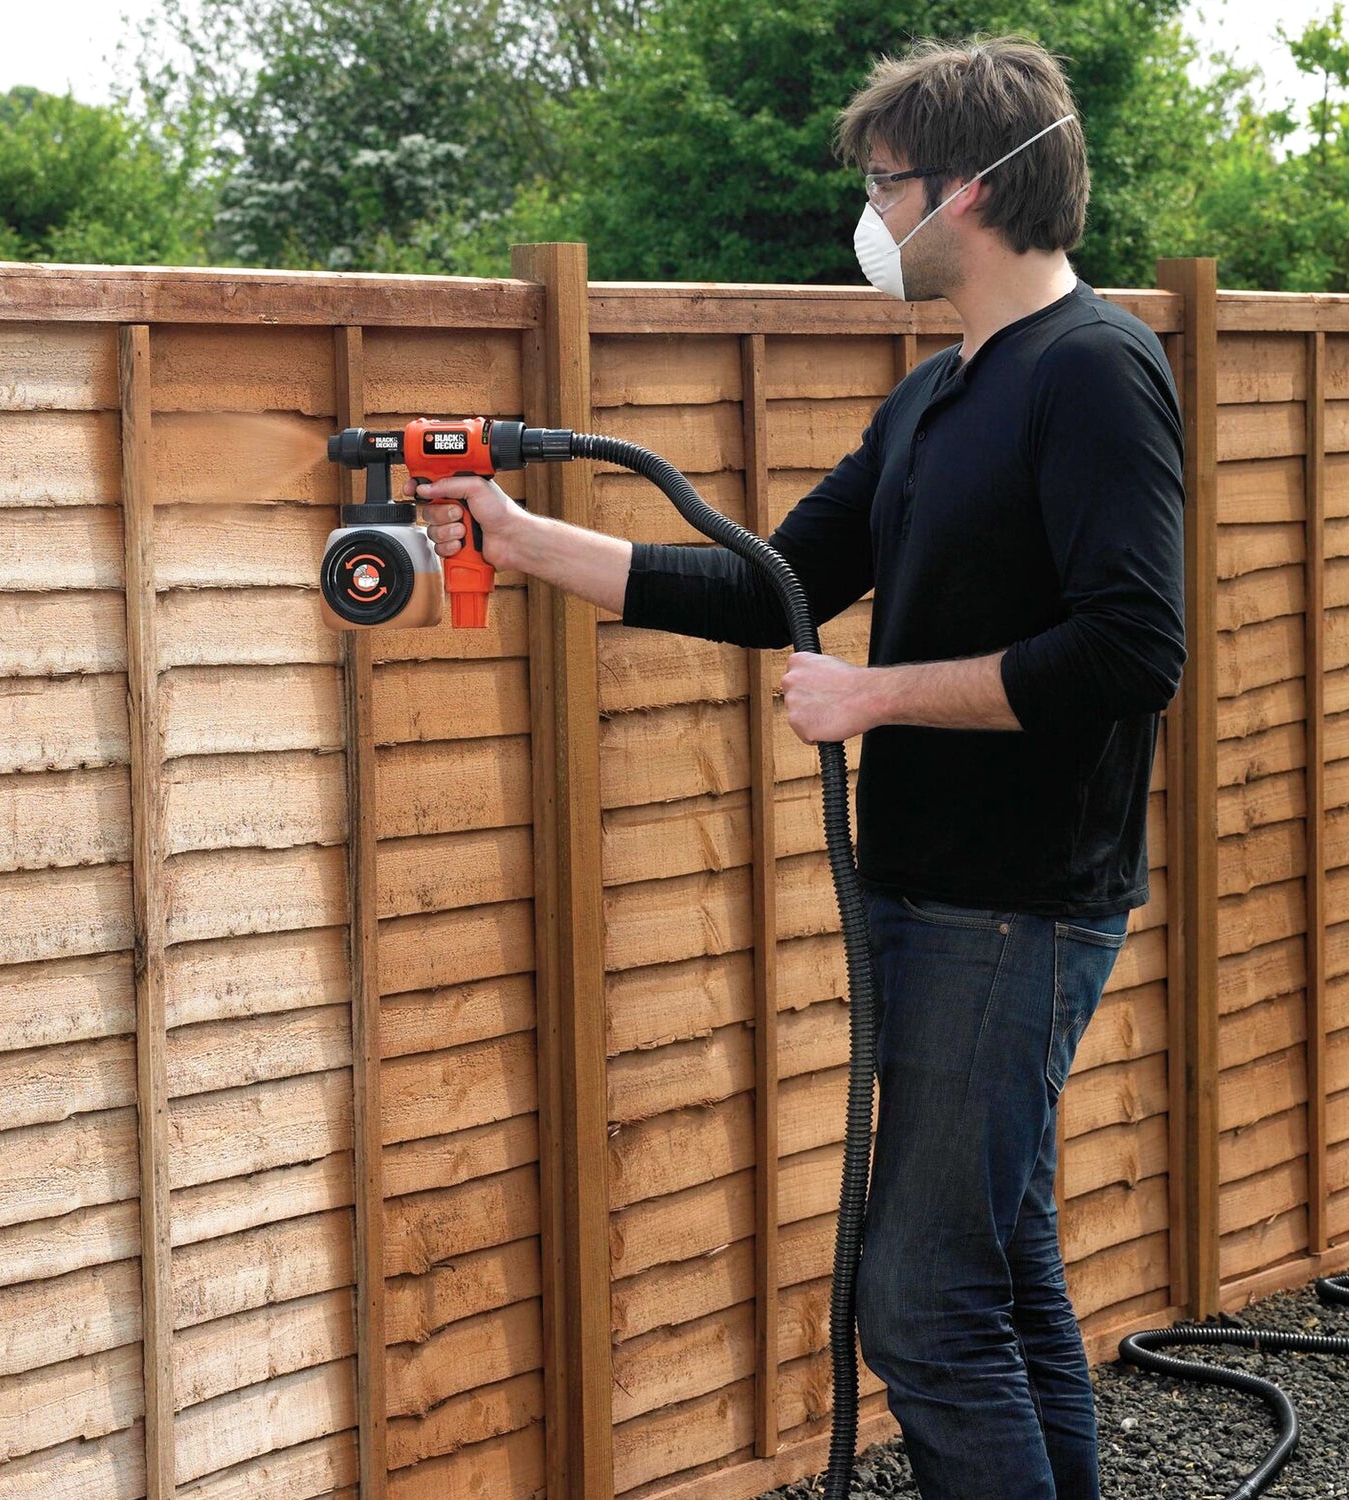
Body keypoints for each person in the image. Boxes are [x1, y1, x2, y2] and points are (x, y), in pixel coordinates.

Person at [408, 35, 1186, 1500]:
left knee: (922, 1308)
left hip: (1015, 911)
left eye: (885, 185)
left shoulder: (1094, 372)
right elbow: (769, 585)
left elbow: (1132, 650)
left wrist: (875, 695)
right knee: (1005, 1280)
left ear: (968, 190)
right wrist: (519, 539)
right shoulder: (940, 394)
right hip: (932, 897)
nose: (869, 216)